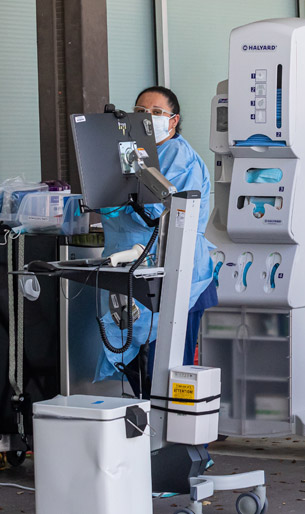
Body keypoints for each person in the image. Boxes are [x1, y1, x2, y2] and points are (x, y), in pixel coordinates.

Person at [96, 86, 218, 395]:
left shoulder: (181, 158)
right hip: (130, 277)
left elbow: (163, 214)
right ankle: (146, 437)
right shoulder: (127, 154)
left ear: (173, 120)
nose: (147, 118)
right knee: (138, 373)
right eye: (140, 111)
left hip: (175, 280)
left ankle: (180, 440)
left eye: (156, 112)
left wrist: (129, 198)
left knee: (171, 374)